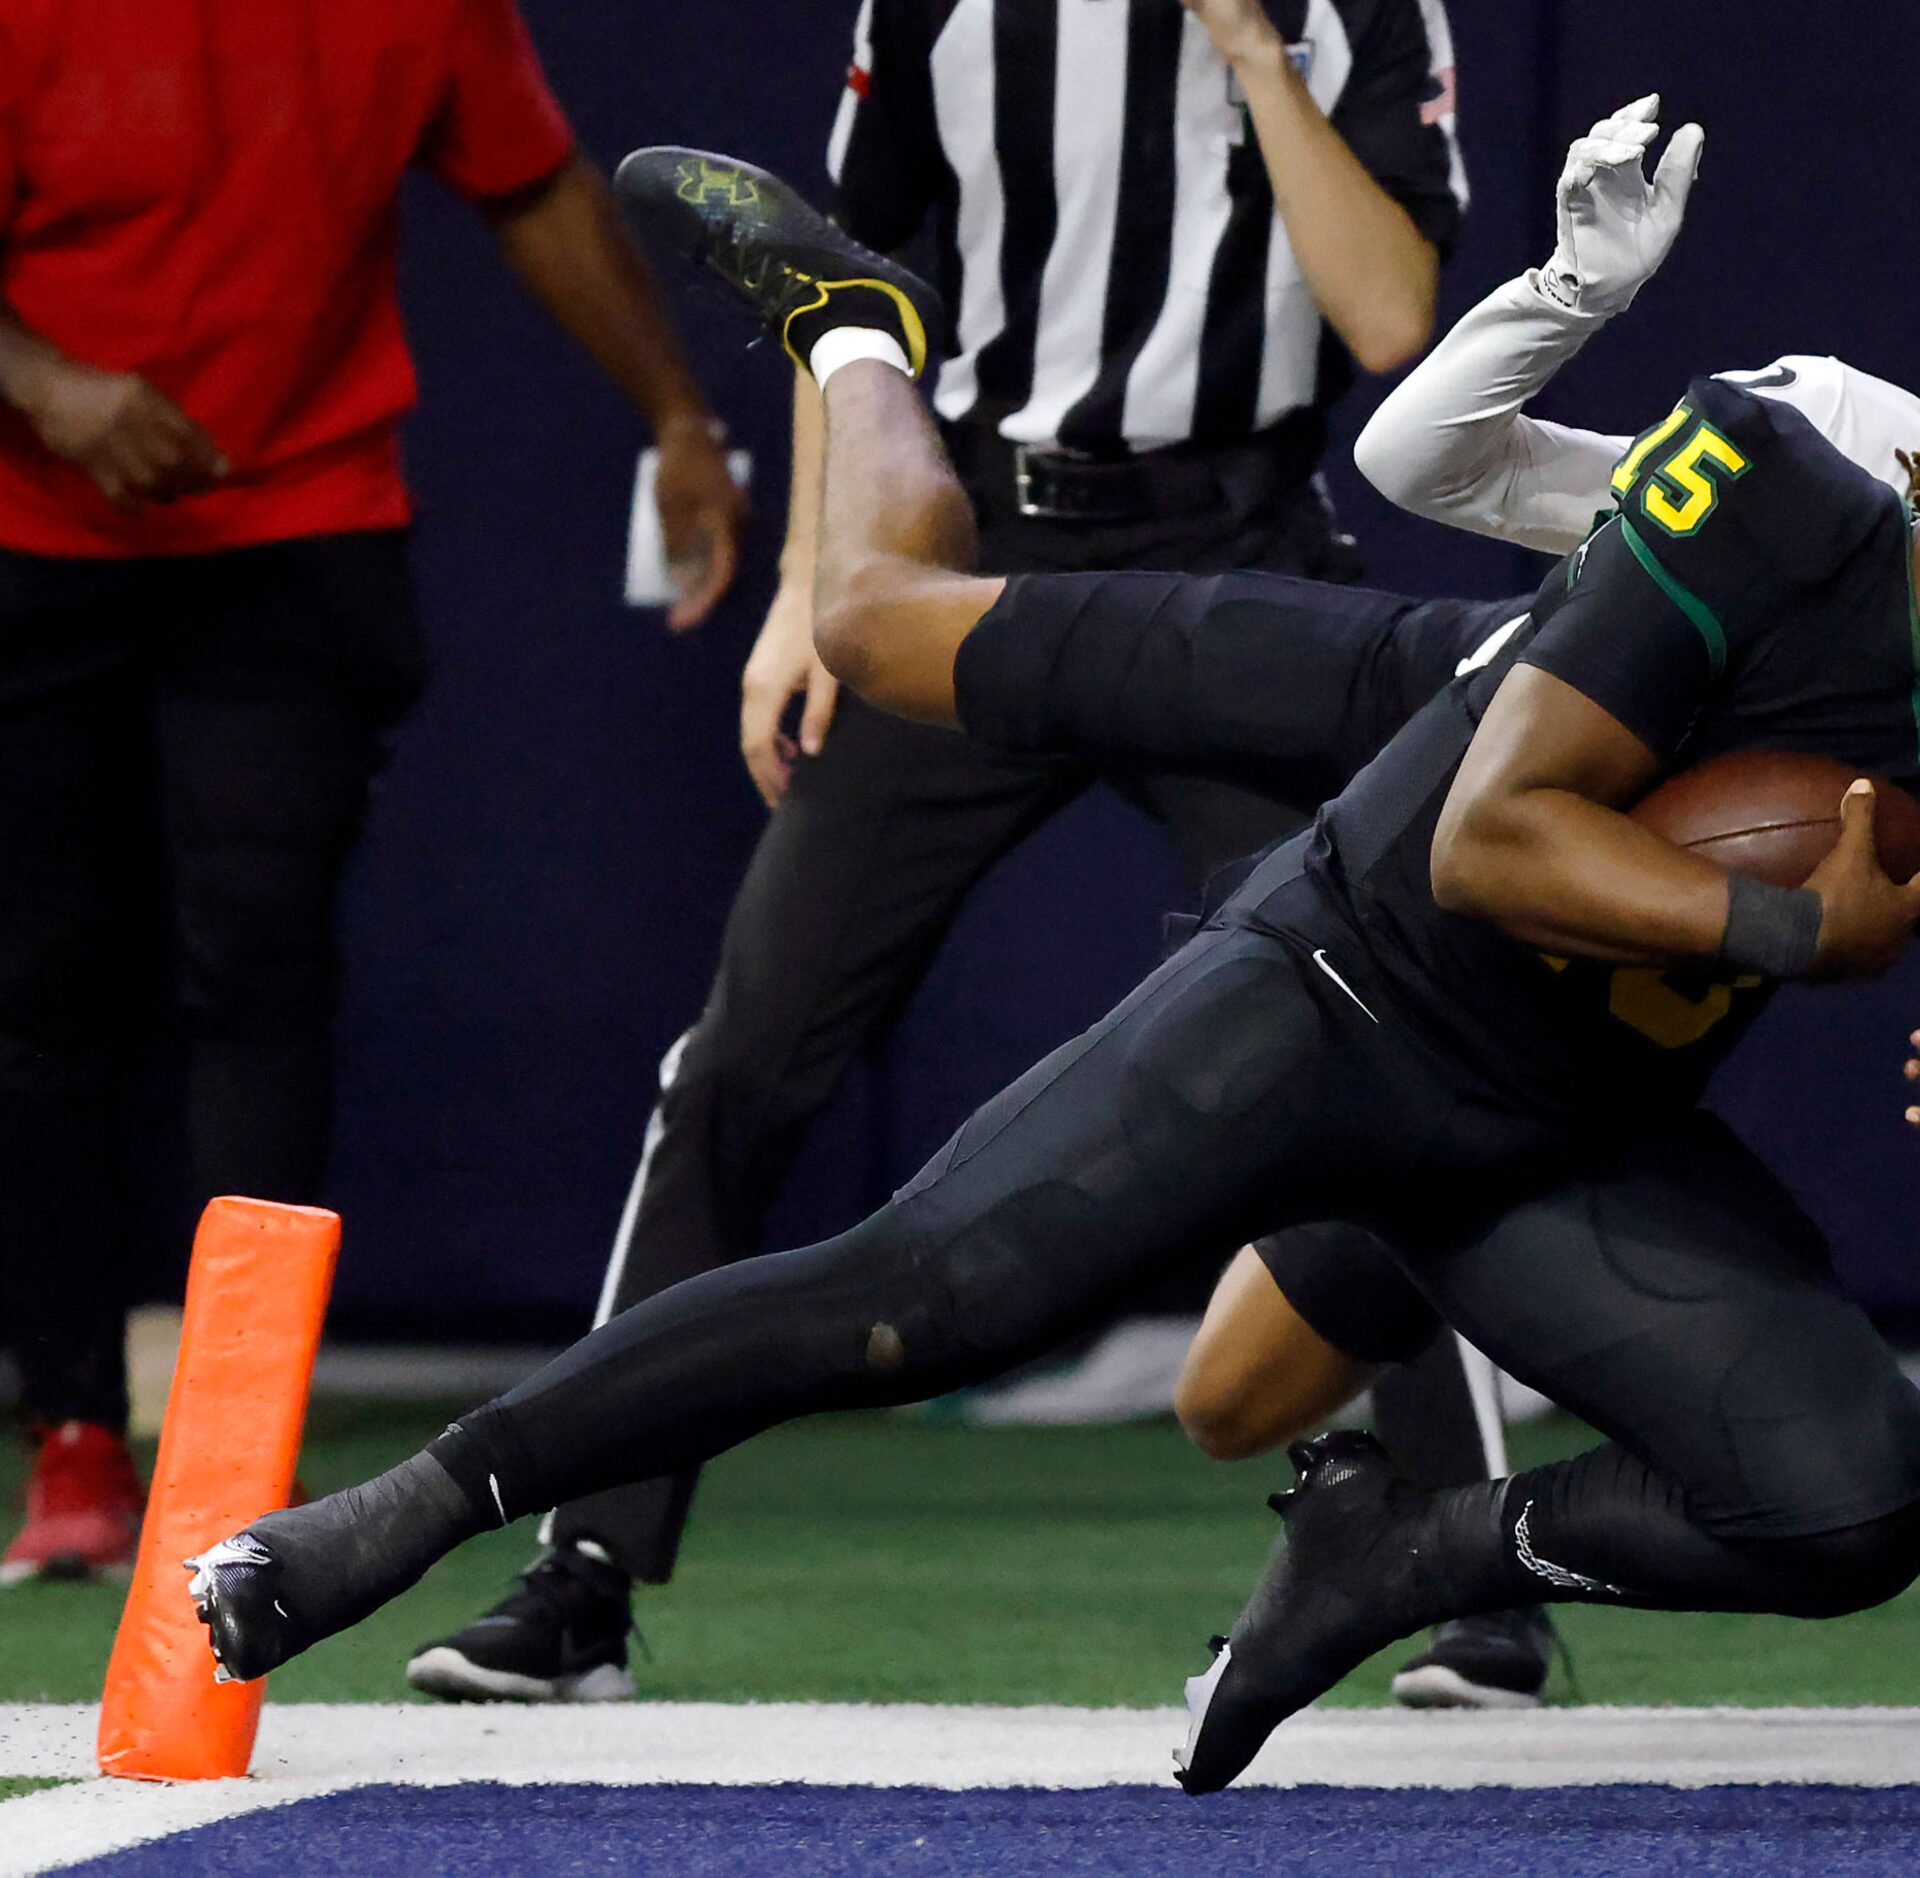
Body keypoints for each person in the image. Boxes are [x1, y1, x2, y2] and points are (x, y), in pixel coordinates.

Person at [185, 135, 1920, 1798]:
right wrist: (1789, 928)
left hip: (1553, 1105)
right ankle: (858, 333)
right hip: (1384, 904)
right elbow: (1491, 828)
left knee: (1843, 1498)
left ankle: (1406, 1558)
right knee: (926, 1202)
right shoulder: (1776, 469)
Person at [403, 0, 1533, 1712]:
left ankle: (1474, 1577)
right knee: (742, 1062)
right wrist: (809, 582)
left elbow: (1388, 318)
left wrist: (1250, 54)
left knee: (1379, 1030)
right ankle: (579, 1568)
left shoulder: (1349, 8)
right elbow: (832, 290)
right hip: (979, 559)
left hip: (1236, 555)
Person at [1171, 98, 1920, 1472]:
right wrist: (1570, 296)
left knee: (1238, 1393)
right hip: (1467, 738)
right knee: (1059, 665)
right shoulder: (1824, 463)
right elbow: (1422, 464)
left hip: (1613, 988)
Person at [0, 0, 746, 1586]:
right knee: (40, 984)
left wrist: (676, 416)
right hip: (31, 536)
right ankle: (68, 1427)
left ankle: (227, 1449)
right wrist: (47, 383)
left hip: (299, 524)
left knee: (260, 968)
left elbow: (534, 183)